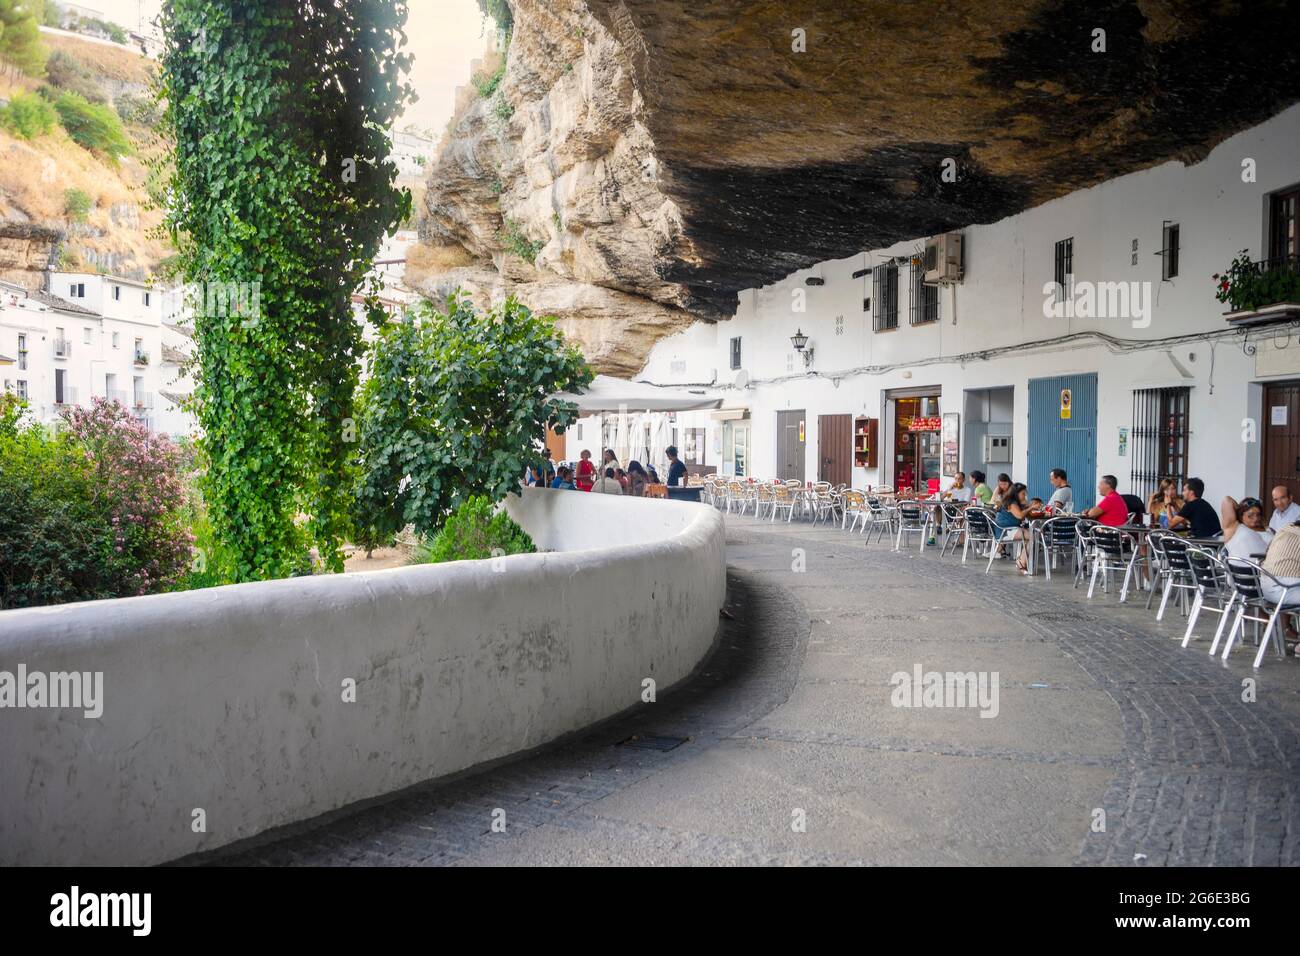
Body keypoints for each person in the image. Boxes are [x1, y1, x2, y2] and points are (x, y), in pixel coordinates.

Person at [1221, 495, 1273, 561]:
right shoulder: (1234, 528)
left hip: (1269, 565)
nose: (1256, 518)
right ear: (1241, 515)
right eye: (1250, 515)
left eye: (1258, 514)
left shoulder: (1267, 529)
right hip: (1246, 569)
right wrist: (1241, 508)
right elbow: (1227, 500)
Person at [994, 482, 1031, 572]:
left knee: (1034, 535)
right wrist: (1031, 507)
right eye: (1023, 494)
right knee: (1034, 536)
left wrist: (1028, 505)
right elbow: (1020, 516)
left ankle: (1022, 560)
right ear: (1016, 494)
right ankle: (1022, 561)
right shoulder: (1011, 503)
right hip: (1005, 531)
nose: (1024, 496)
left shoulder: (1014, 502)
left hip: (1010, 529)